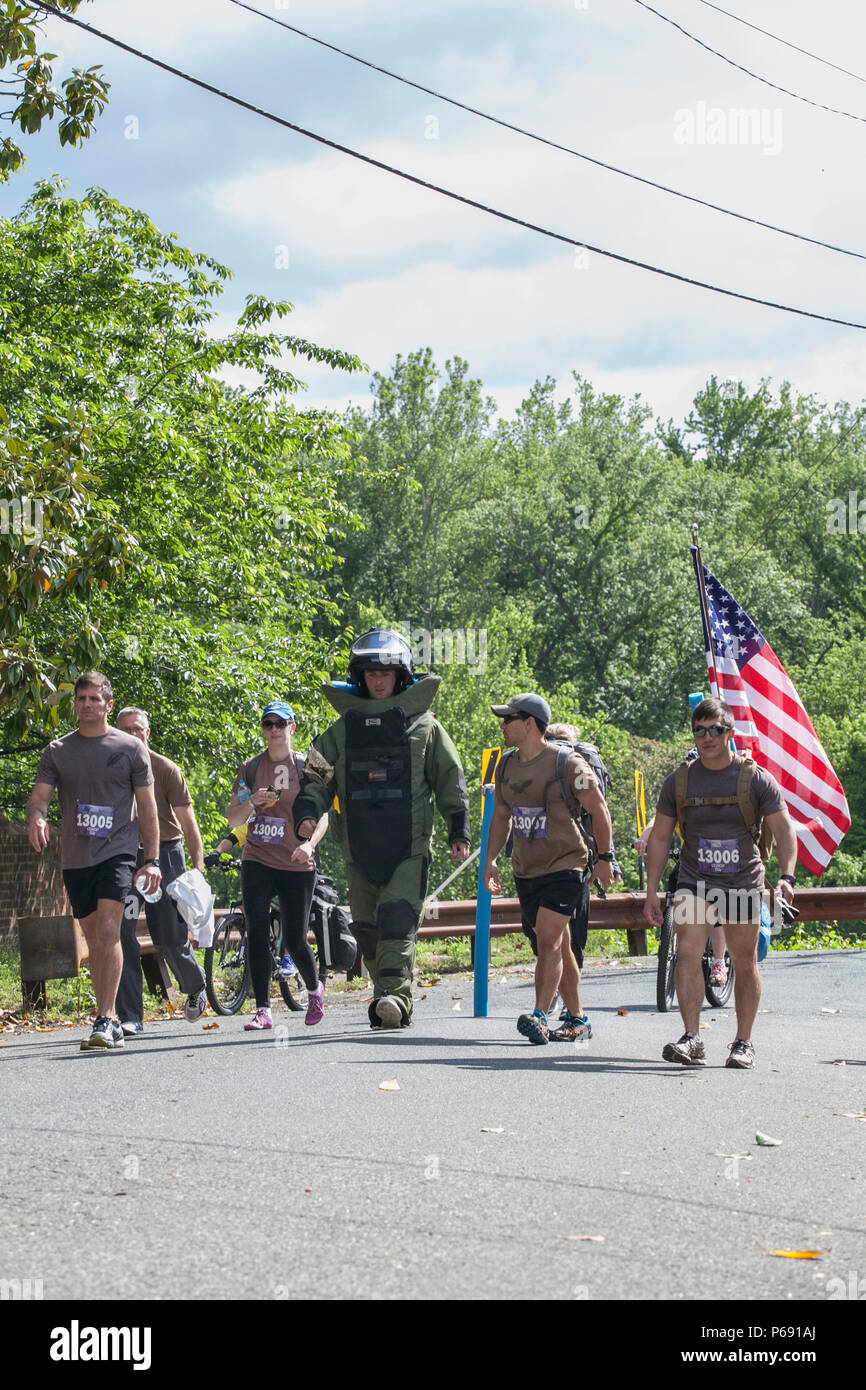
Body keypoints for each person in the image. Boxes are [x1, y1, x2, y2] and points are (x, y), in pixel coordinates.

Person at [293, 628, 471, 1030]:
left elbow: (449, 778)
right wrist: (307, 813)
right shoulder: (341, 730)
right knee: (368, 930)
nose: (377, 680)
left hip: (408, 848)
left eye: (385, 673)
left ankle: (396, 999)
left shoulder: (425, 727)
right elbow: (316, 777)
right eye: (370, 673)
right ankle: (383, 997)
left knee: (396, 921)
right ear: (359, 677)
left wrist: (457, 830)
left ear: (401, 676)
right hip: (358, 849)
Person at [642, 697, 797, 1069]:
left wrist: (787, 877)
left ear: (729, 732)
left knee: (744, 961)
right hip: (694, 881)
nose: (706, 737)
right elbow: (661, 837)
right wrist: (651, 891)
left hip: (743, 882)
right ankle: (692, 1037)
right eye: (699, 730)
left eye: (715, 729)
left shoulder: (754, 778)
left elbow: (783, 829)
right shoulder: (679, 780)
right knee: (688, 953)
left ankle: (743, 1042)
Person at [26, 672, 161, 1051]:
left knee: (108, 931)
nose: (86, 705)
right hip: (76, 855)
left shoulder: (130, 749)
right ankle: (111, 1018)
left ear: (108, 705)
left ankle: (105, 1016)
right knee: (94, 940)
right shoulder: (58, 751)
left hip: (117, 851)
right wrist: (37, 817)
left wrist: (151, 859)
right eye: (81, 699)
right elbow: (39, 798)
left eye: (93, 699)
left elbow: (147, 808)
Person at [483, 695, 615, 1045]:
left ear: (530, 724)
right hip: (527, 868)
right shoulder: (506, 766)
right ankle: (578, 1019)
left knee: (548, 936)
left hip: (567, 863)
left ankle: (540, 1015)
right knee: (561, 944)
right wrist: (492, 859)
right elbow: (501, 816)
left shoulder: (568, 764)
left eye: (508, 719)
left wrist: (604, 857)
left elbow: (599, 809)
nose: (502, 725)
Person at [226, 701, 328, 1031]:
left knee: (296, 939)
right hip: (258, 857)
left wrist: (309, 845)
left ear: (292, 727)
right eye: (268, 724)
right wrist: (251, 802)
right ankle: (263, 1009)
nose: (273, 730)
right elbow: (234, 818)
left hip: (296, 860)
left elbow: (324, 814)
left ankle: (315, 990)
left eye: (280, 724)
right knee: (256, 929)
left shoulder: (308, 766)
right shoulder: (251, 767)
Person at [113, 707, 208, 1036]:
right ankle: (130, 1017)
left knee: (168, 936)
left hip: (165, 856)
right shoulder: (111, 769)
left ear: (147, 733)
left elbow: (189, 823)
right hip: (125, 859)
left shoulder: (166, 769)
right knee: (123, 934)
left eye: (138, 729)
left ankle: (195, 985)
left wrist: (197, 869)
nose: (132, 734)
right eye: (125, 729)